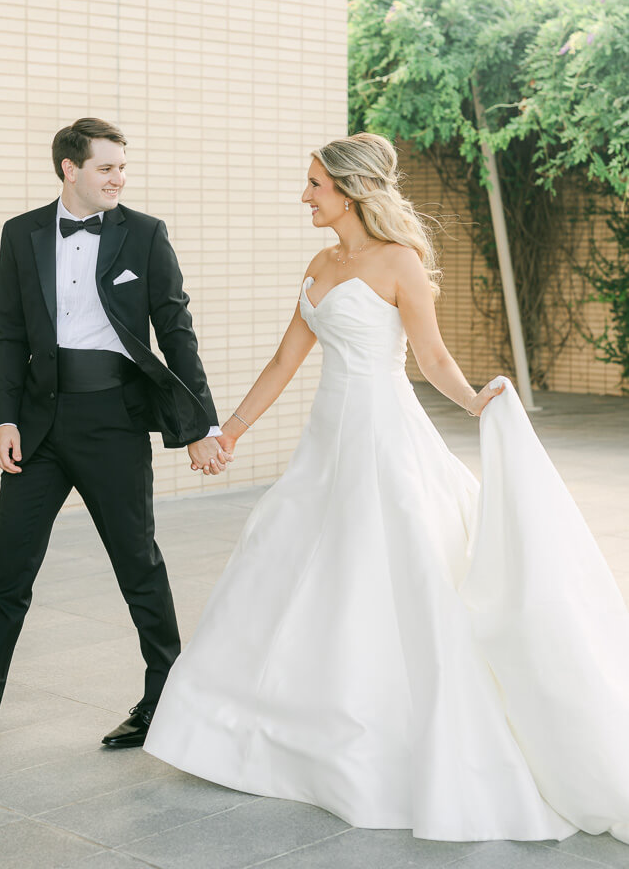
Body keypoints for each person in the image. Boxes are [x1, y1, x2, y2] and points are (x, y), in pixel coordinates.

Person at [145, 131, 629, 844]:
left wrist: (473, 402)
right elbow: (286, 359)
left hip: (383, 437)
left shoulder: (400, 260)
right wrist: (231, 433)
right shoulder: (319, 262)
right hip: (325, 442)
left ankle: (384, 738)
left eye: (314, 184)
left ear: (350, 189)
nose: (304, 194)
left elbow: (429, 355)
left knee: (388, 569)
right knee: (292, 563)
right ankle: (278, 735)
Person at [0, 117, 229, 753]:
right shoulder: (20, 234)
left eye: (123, 168)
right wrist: (4, 417)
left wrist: (201, 425)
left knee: (138, 564)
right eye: (106, 168)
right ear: (70, 169)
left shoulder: (147, 234)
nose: (118, 179)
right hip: (40, 425)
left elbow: (176, 331)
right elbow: (10, 335)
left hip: (114, 422)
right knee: (7, 571)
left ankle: (167, 698)